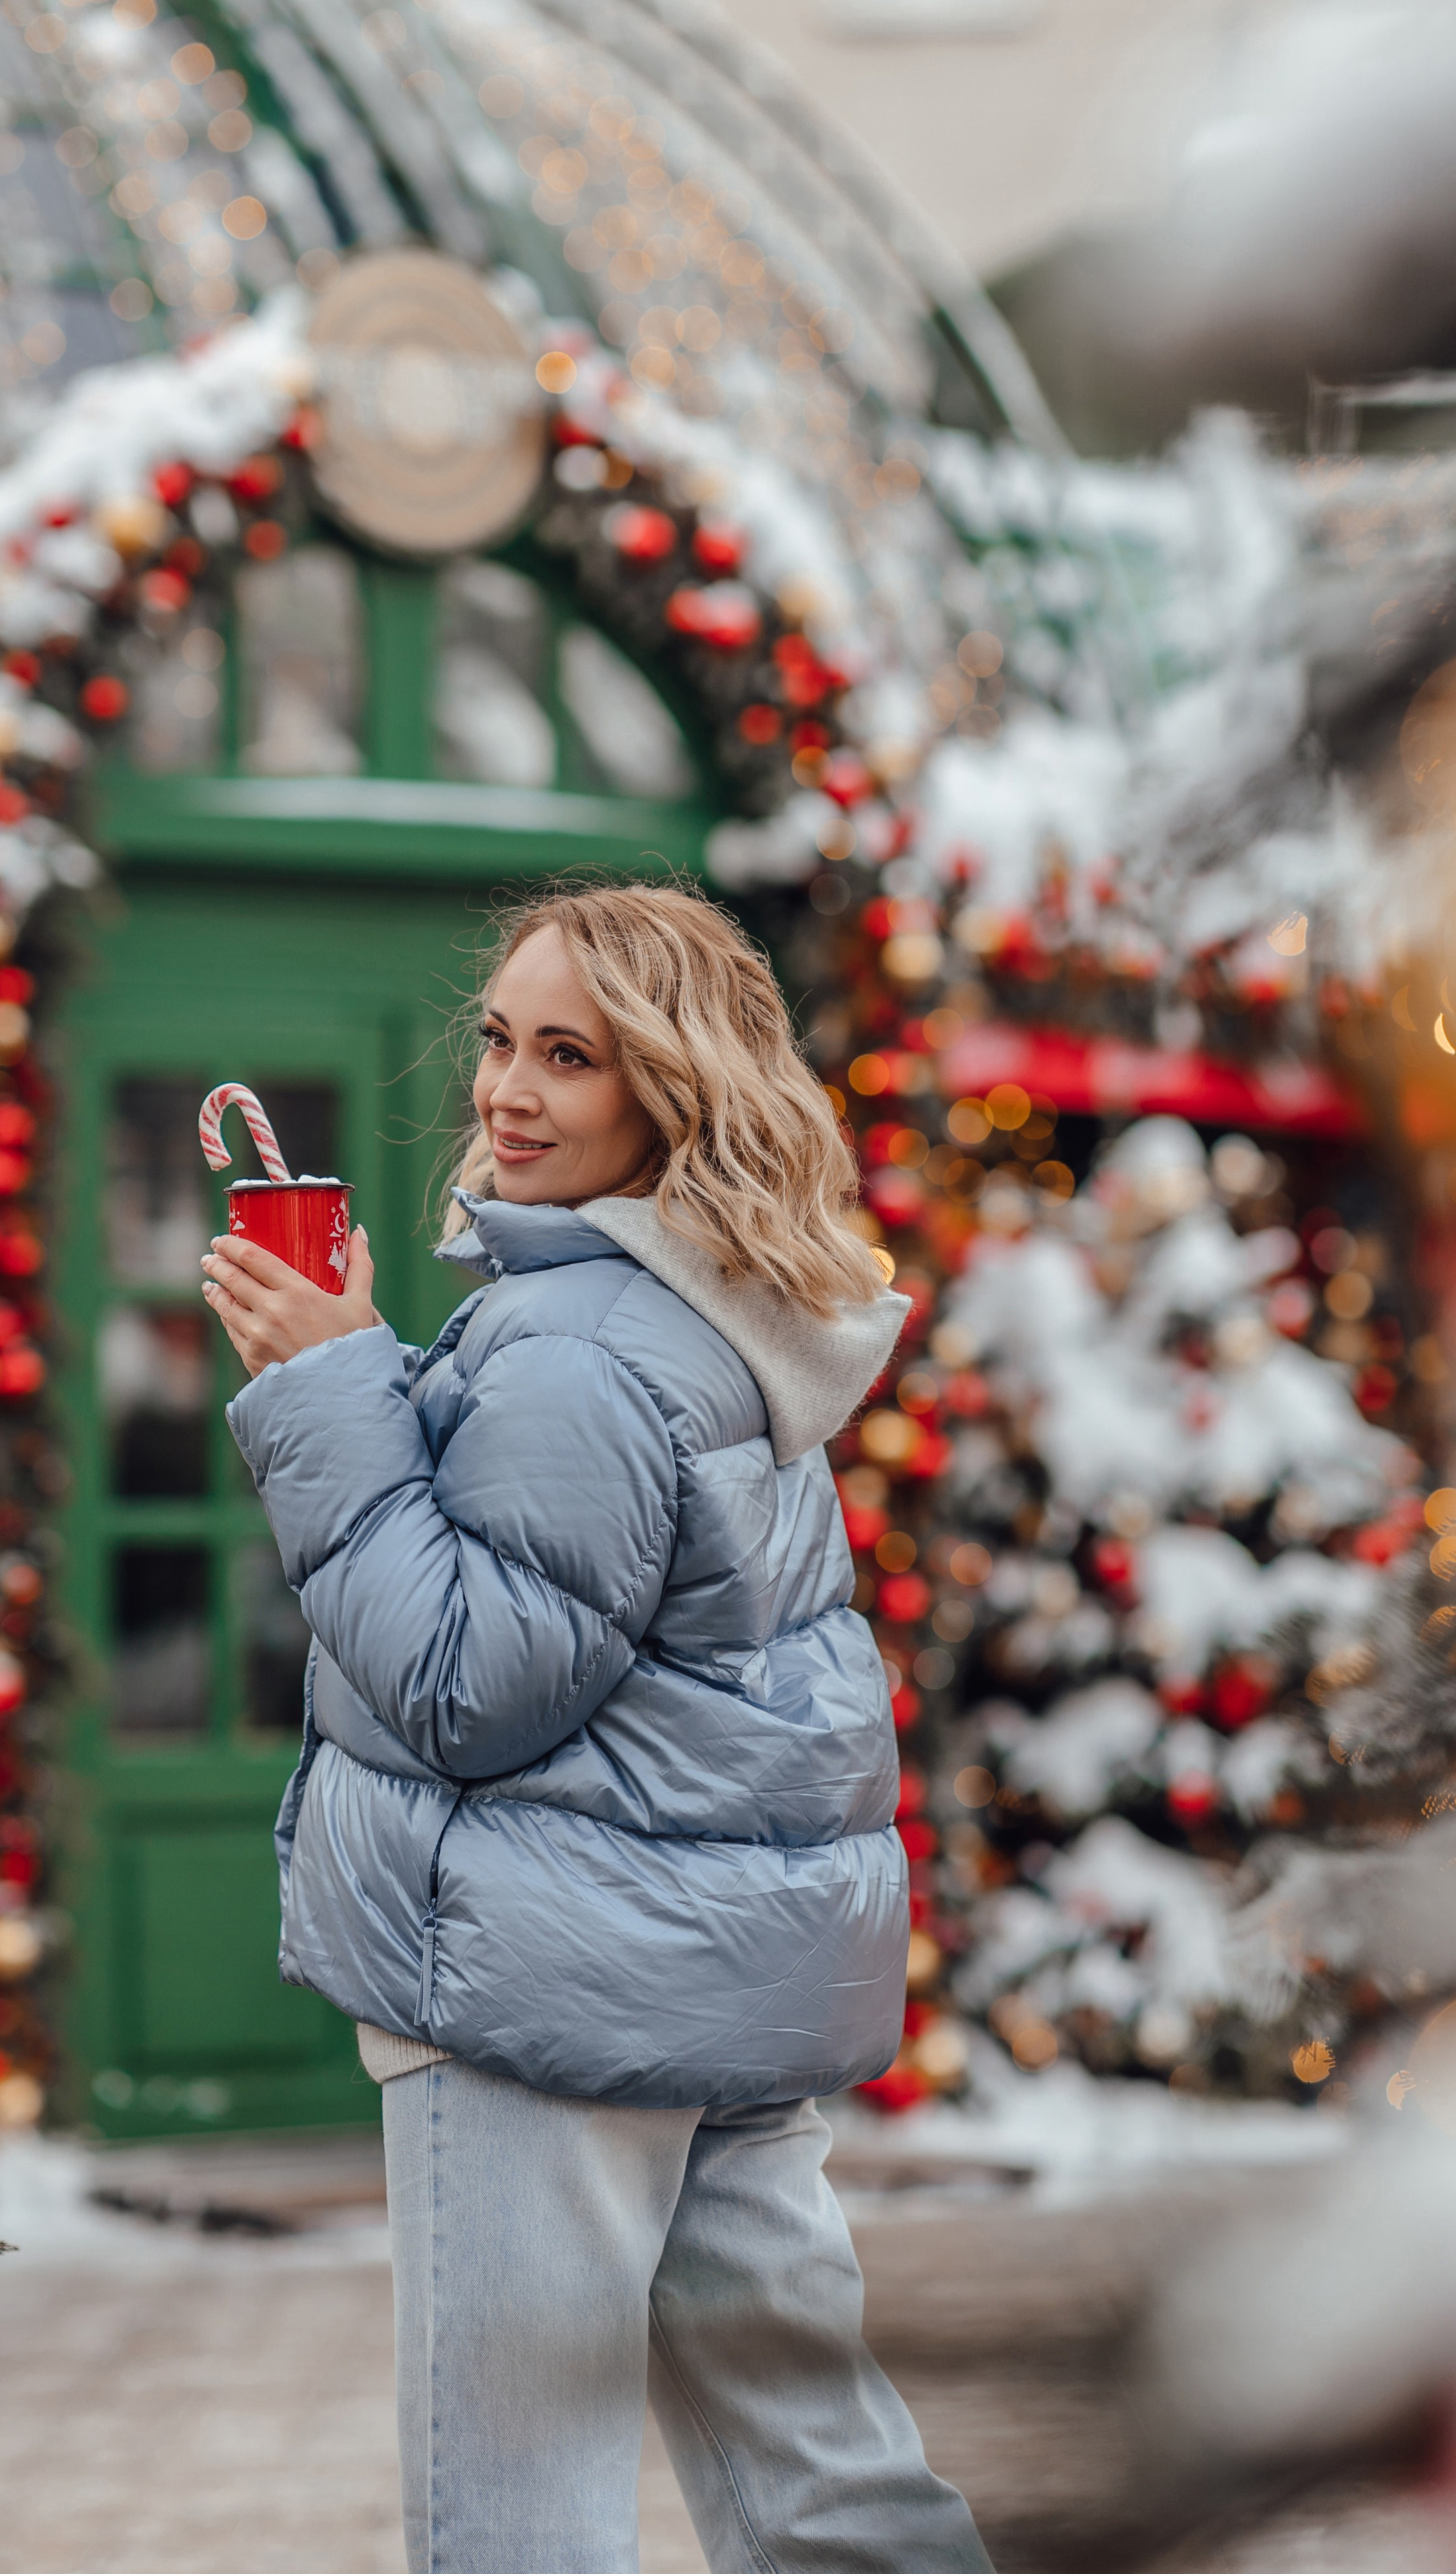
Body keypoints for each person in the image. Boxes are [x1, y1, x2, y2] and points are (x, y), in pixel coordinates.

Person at [201, 881, 993, 2574]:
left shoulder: (579, 1345)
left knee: (519, 2526)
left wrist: (326, 1388)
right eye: (500, 1039)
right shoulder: (715, 1310)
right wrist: (380, 1371)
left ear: (673, 1089)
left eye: (570, 1056)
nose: (506, 1090)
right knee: (827, 2494)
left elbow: (461, 1689)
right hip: (709, 1979)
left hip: (543, 1998)